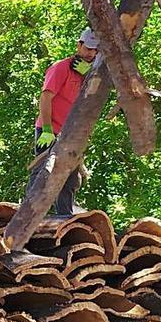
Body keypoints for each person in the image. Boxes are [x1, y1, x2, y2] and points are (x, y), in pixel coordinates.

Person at [33, 27, 99, 215]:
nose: (91, 53)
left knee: (70, 179)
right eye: (88, 49)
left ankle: (64, 217)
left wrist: (89, 76)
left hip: (72, 135)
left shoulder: (91, 73)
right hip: (50, 131)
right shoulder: (60, 68)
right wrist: (46, 129)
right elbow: (46, 98)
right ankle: (29, 216)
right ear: (79, 45)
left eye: (95, 50)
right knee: (44, 174)